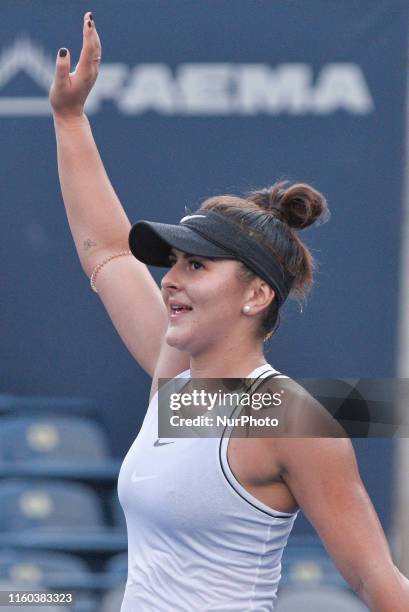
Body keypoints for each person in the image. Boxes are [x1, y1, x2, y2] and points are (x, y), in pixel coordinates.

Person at [49, 11, 409, 611]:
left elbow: (380, 584)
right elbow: (109, 251)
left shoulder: (288, 417)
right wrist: (69, 118)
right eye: (172, 265)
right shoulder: (178, 390)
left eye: (196, 266)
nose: (170, 281)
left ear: (256, 295)